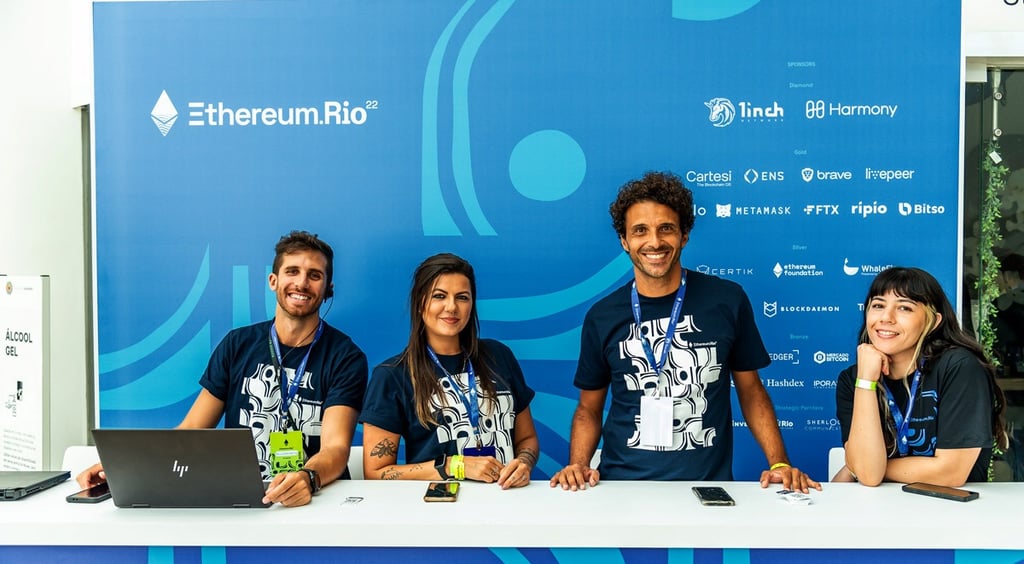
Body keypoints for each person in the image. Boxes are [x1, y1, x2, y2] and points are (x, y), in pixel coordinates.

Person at [550, 171, 819, 492]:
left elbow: (751, 392)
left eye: (666, 228)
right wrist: (578, 464)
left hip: (705, 488)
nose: (654, 242)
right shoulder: (602, 316)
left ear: (685, 235)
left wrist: (779, 463)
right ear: (624, 241)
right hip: (622, 487)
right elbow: (588, 408)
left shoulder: (727, 300)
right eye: (640, 231)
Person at [77, 230, 368, 506]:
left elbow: (335, 448)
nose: (301, 283)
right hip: (244, 497)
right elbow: (192, 431)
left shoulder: (345, 357)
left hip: (315, 499)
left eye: (314, 275)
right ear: (273, 281)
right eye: (292, 271)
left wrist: (308, 478)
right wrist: (126, 467)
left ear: (328, 289)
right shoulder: (237, 344)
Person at [360, 253, 539, 489]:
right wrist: (454, 466)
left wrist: (524, 462)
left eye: (462, 297)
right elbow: (376, 472)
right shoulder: (392, 375)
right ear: (420, 302)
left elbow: (527, 439)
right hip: (441, 504)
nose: (452, 307)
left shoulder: (499, 356)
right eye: (439, 296)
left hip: (506, 498)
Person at [834, 267, 1008, 486]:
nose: (886, 318)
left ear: (932, 321)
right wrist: (866, 381)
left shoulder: (959, 367)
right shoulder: (854, 379)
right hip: (880, 505)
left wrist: (869, 467)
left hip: (947, 505)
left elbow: (951, 472)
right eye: (878, 305)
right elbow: (867, 474)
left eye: (904, 308)